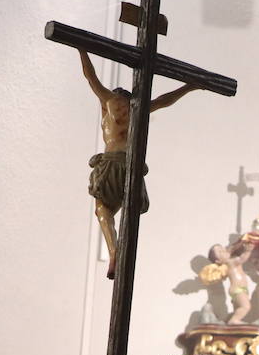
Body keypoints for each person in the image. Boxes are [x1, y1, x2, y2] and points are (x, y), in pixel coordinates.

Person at [79, 51, 200, 279]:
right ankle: (118, 253)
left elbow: (90, 77)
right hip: (131, 166)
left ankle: (114, 251)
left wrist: (81, 49)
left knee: (102, 210)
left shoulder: (109, 101)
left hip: (111, 164)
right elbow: (166, 100)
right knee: (128, 211)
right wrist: (189, 87)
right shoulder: (139, 107)